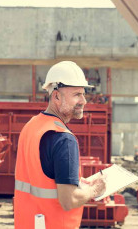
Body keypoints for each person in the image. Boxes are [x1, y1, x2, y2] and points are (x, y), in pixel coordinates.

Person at [14, 61, 107, 229]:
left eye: (83, 94)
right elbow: (68, 200)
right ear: (56, 96)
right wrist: (95, 190)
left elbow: (43, 178)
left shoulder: (31, 126)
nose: (84, 101)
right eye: (77, 94)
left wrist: (76, 183)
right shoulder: (64, 139)